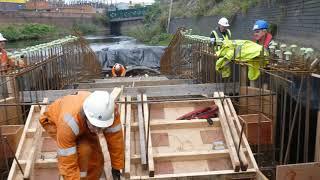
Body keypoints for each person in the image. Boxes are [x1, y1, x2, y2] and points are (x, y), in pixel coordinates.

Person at [40, 91, 124, 180]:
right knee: (84, 151)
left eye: (101, 128)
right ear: (86, 116)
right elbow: (68, 164)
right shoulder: (68, 124)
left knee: (97, 158)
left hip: (80, 121)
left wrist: (116, 168)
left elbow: (116, 141)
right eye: (95, 126)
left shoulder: (109, 112)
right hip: (53, 121)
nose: (97, 131)